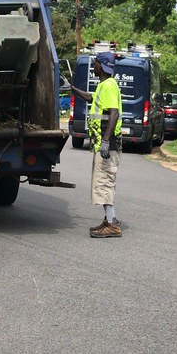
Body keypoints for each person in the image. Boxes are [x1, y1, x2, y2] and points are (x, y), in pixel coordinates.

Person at [69, 51, 123, 238]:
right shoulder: (105, 85)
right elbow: (92, 98)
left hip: (107, 145)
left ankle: (113, 224)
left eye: (96, 63)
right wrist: (72, 88)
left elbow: (114, 114)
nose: (94, 66)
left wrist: (106, 141)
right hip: (104, 143)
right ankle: (109, 220)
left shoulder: (108, 86)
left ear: (102, 65)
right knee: (103, 183)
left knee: (104, 183)